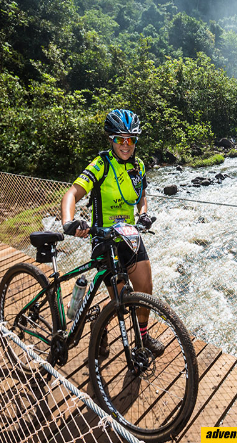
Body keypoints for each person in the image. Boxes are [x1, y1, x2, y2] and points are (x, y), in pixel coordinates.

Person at [60, 109, 162, 356]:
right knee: (121, 298)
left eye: (131, 139)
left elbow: (141, 196)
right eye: (120, 139)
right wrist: (69, 222)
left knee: (144, 289)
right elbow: (72, 194)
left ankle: (144, 337)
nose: (126, 145)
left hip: (129, 233)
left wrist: (144, 213)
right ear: (111, 140)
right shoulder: (100, 165)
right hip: (104, 237)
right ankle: (99, 323)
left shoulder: (138, 166)